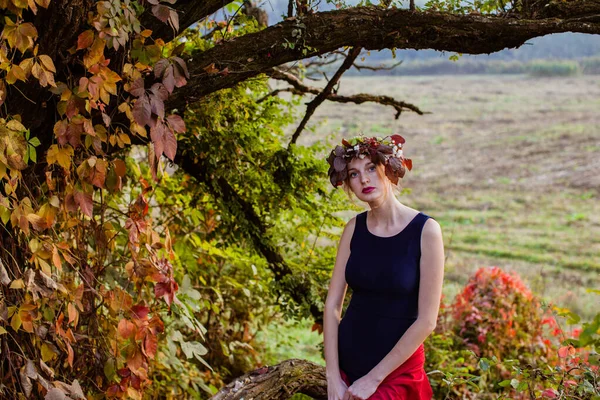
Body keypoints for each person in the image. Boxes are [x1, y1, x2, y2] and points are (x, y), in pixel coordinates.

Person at [323, 135, 445, 400]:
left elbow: (427, 321)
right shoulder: (353, 229)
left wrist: (372, 379)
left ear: (389, 169)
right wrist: (332, 375)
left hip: (397, 374)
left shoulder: (426, 231)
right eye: (354, 174)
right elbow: (333, 305)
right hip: (347, 367)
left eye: (370, 168)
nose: (364, 180)